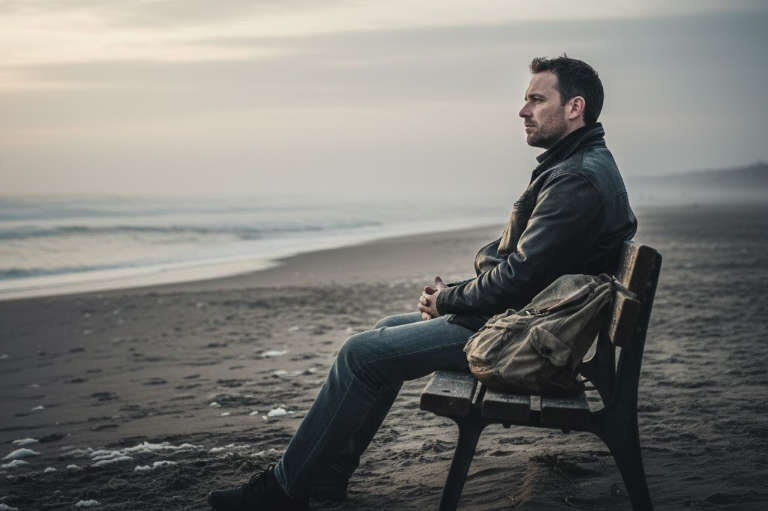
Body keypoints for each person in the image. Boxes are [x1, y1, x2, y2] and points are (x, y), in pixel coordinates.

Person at [207, 55, 637, 511]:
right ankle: (326, 478)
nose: (523, 110)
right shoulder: (577, 166)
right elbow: (528, 270)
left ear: (575, 107)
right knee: (381, 331)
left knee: (360, 355)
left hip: (525, 338)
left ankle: (283, 491)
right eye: (524, 99)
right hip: (531, 322)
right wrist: (450, 297)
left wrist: (450, 299)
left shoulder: (575, 178)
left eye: (535, 99)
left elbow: (520, 279)